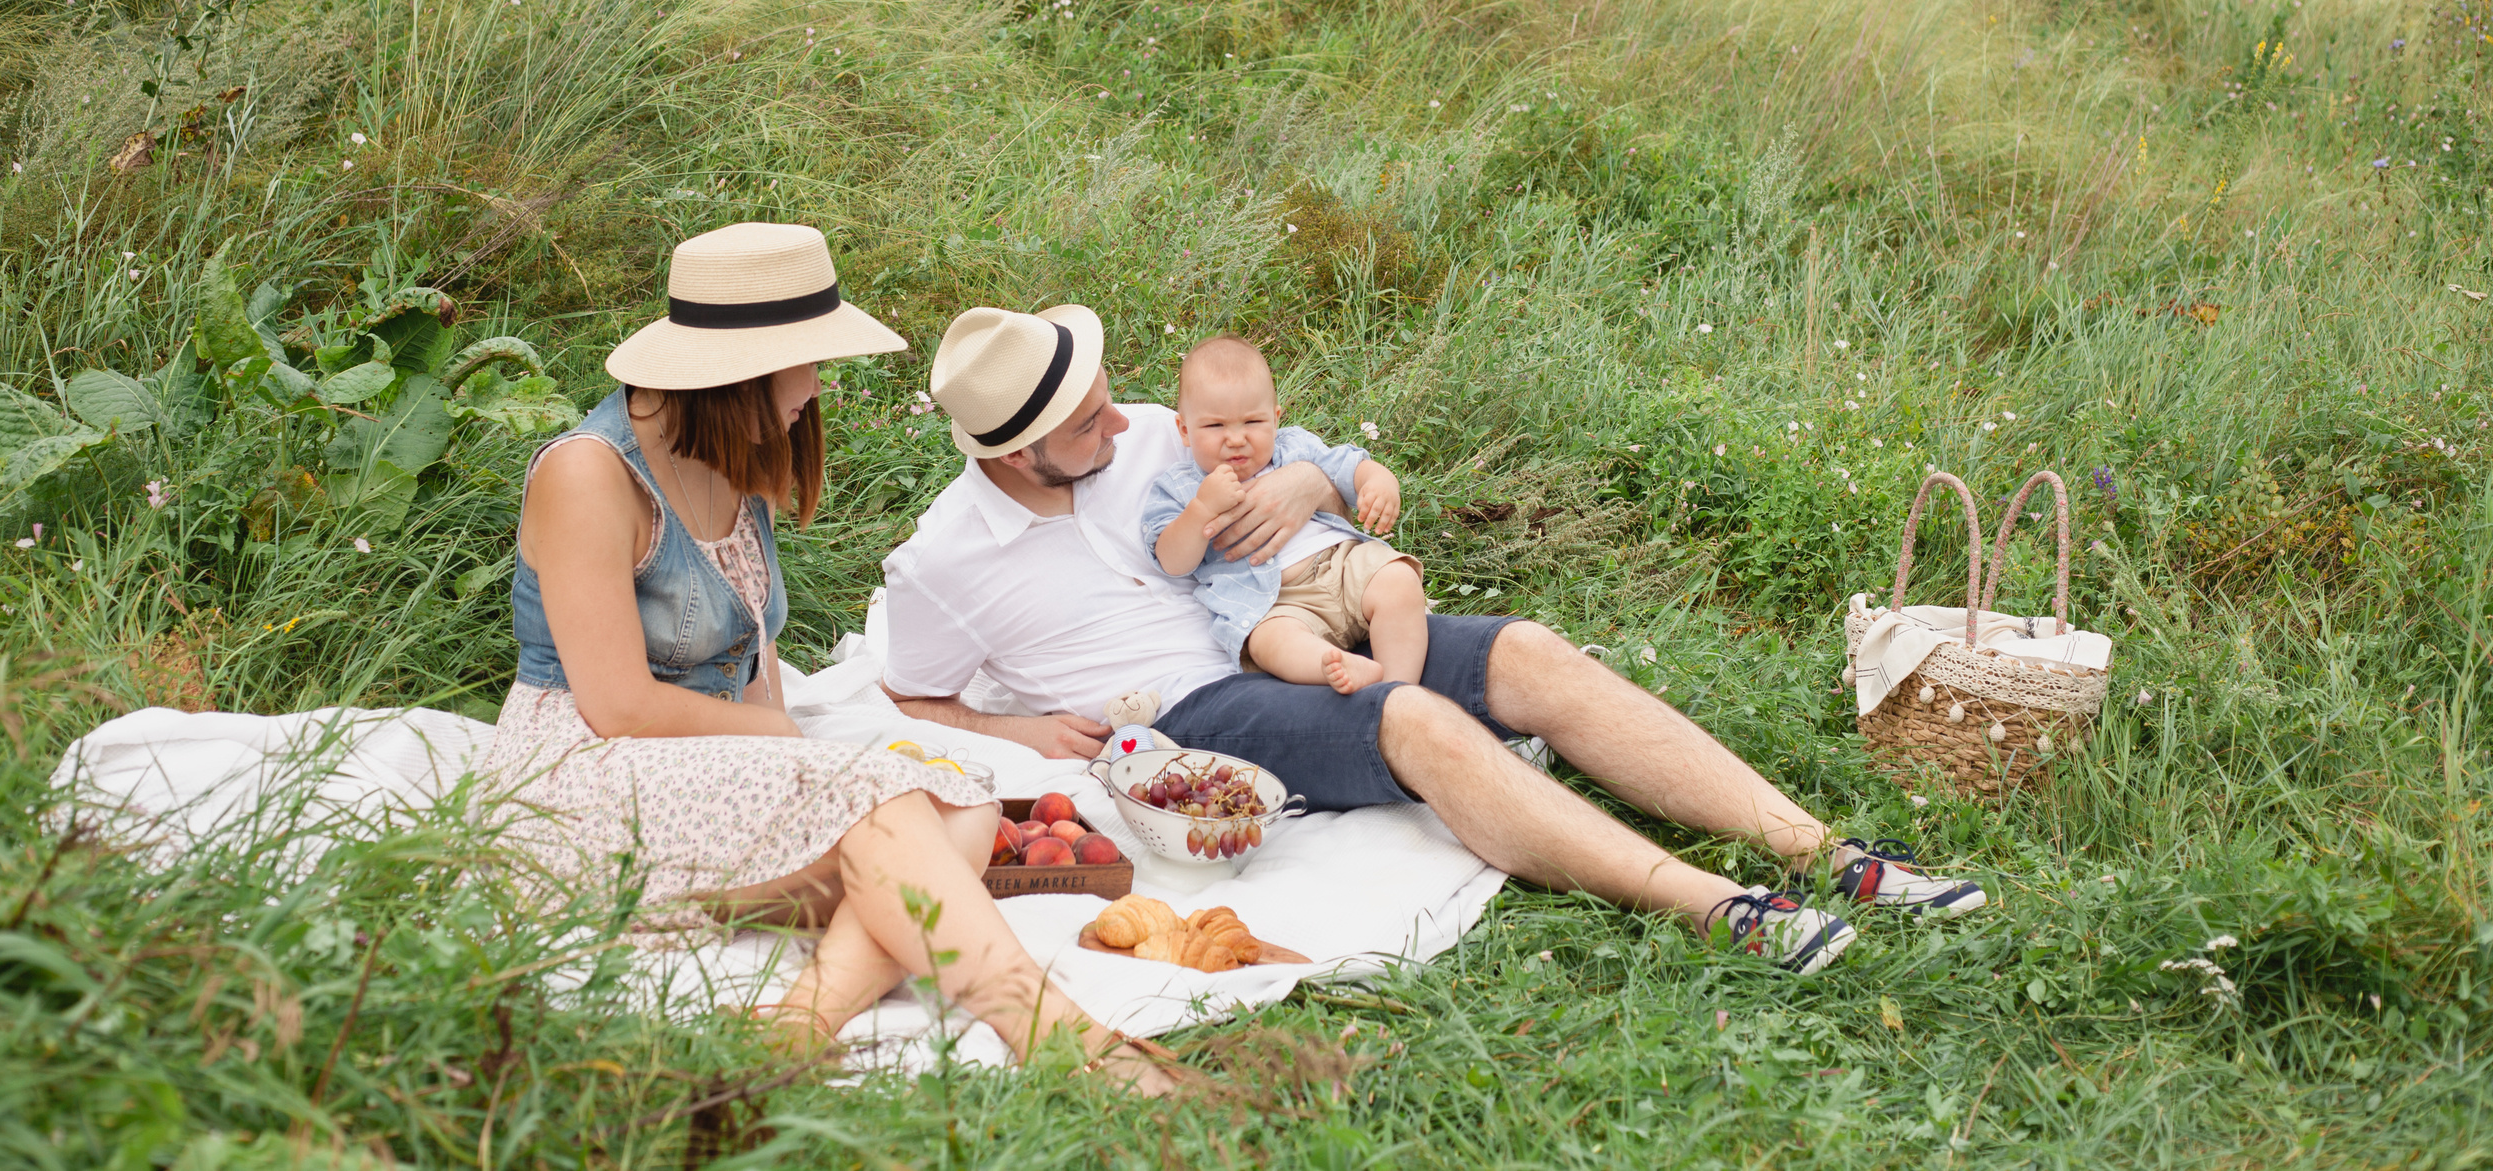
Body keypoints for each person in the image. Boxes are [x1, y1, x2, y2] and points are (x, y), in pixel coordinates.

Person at [880, 303, 1987, 975]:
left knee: (1531, 652)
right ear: (1016, 455)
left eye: (1114, 401)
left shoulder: (1146, 437)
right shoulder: (942, 564)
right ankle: (1715, 905)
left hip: (1303, 608)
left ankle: (1830, 854)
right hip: (1193, 706)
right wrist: (1013, 723)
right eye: (1090, 424)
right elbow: (912, 697)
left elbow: (1294, 452)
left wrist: (1316, 474)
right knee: (1405, 712)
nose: (1125, 427)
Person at [477, 227, 1166, 1086]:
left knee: (960, 813)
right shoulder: (588, 474)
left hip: (704, 764)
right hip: (583, 773)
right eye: (810, 361)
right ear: (747, 368)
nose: (819, 386)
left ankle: (806, 1017)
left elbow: (751, 652)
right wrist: (806, 760)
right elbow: (619, 704)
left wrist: (802, 764)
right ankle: (1046, 1024)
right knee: (884, 822)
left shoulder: (728, 454)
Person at [1138, 334, 1424, 697]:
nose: (1236, 438)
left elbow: (1348, 466)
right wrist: (1201, 510)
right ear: (1185, 430)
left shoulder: (1295, 447)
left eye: (1253, 422)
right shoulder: (1180, 488)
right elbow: (1172, 560)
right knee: (1268, 643)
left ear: (1275, 419)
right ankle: (1333, 663)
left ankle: (1400, 690)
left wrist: (1379, 480)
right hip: (1275, 604)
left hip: (1342, 566)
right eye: (1215, 426)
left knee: (1398, 580)